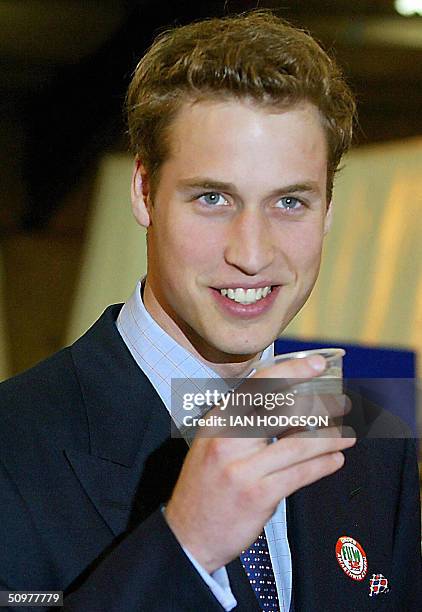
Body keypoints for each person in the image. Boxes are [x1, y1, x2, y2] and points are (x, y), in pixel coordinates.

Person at [0, 10, 420, 612]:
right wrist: (187, 547)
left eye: (290, 202)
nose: (252, 254)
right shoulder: (14, 443)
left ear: (328, 208)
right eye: (213, 198)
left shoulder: (369, 422)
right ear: (144, 192)